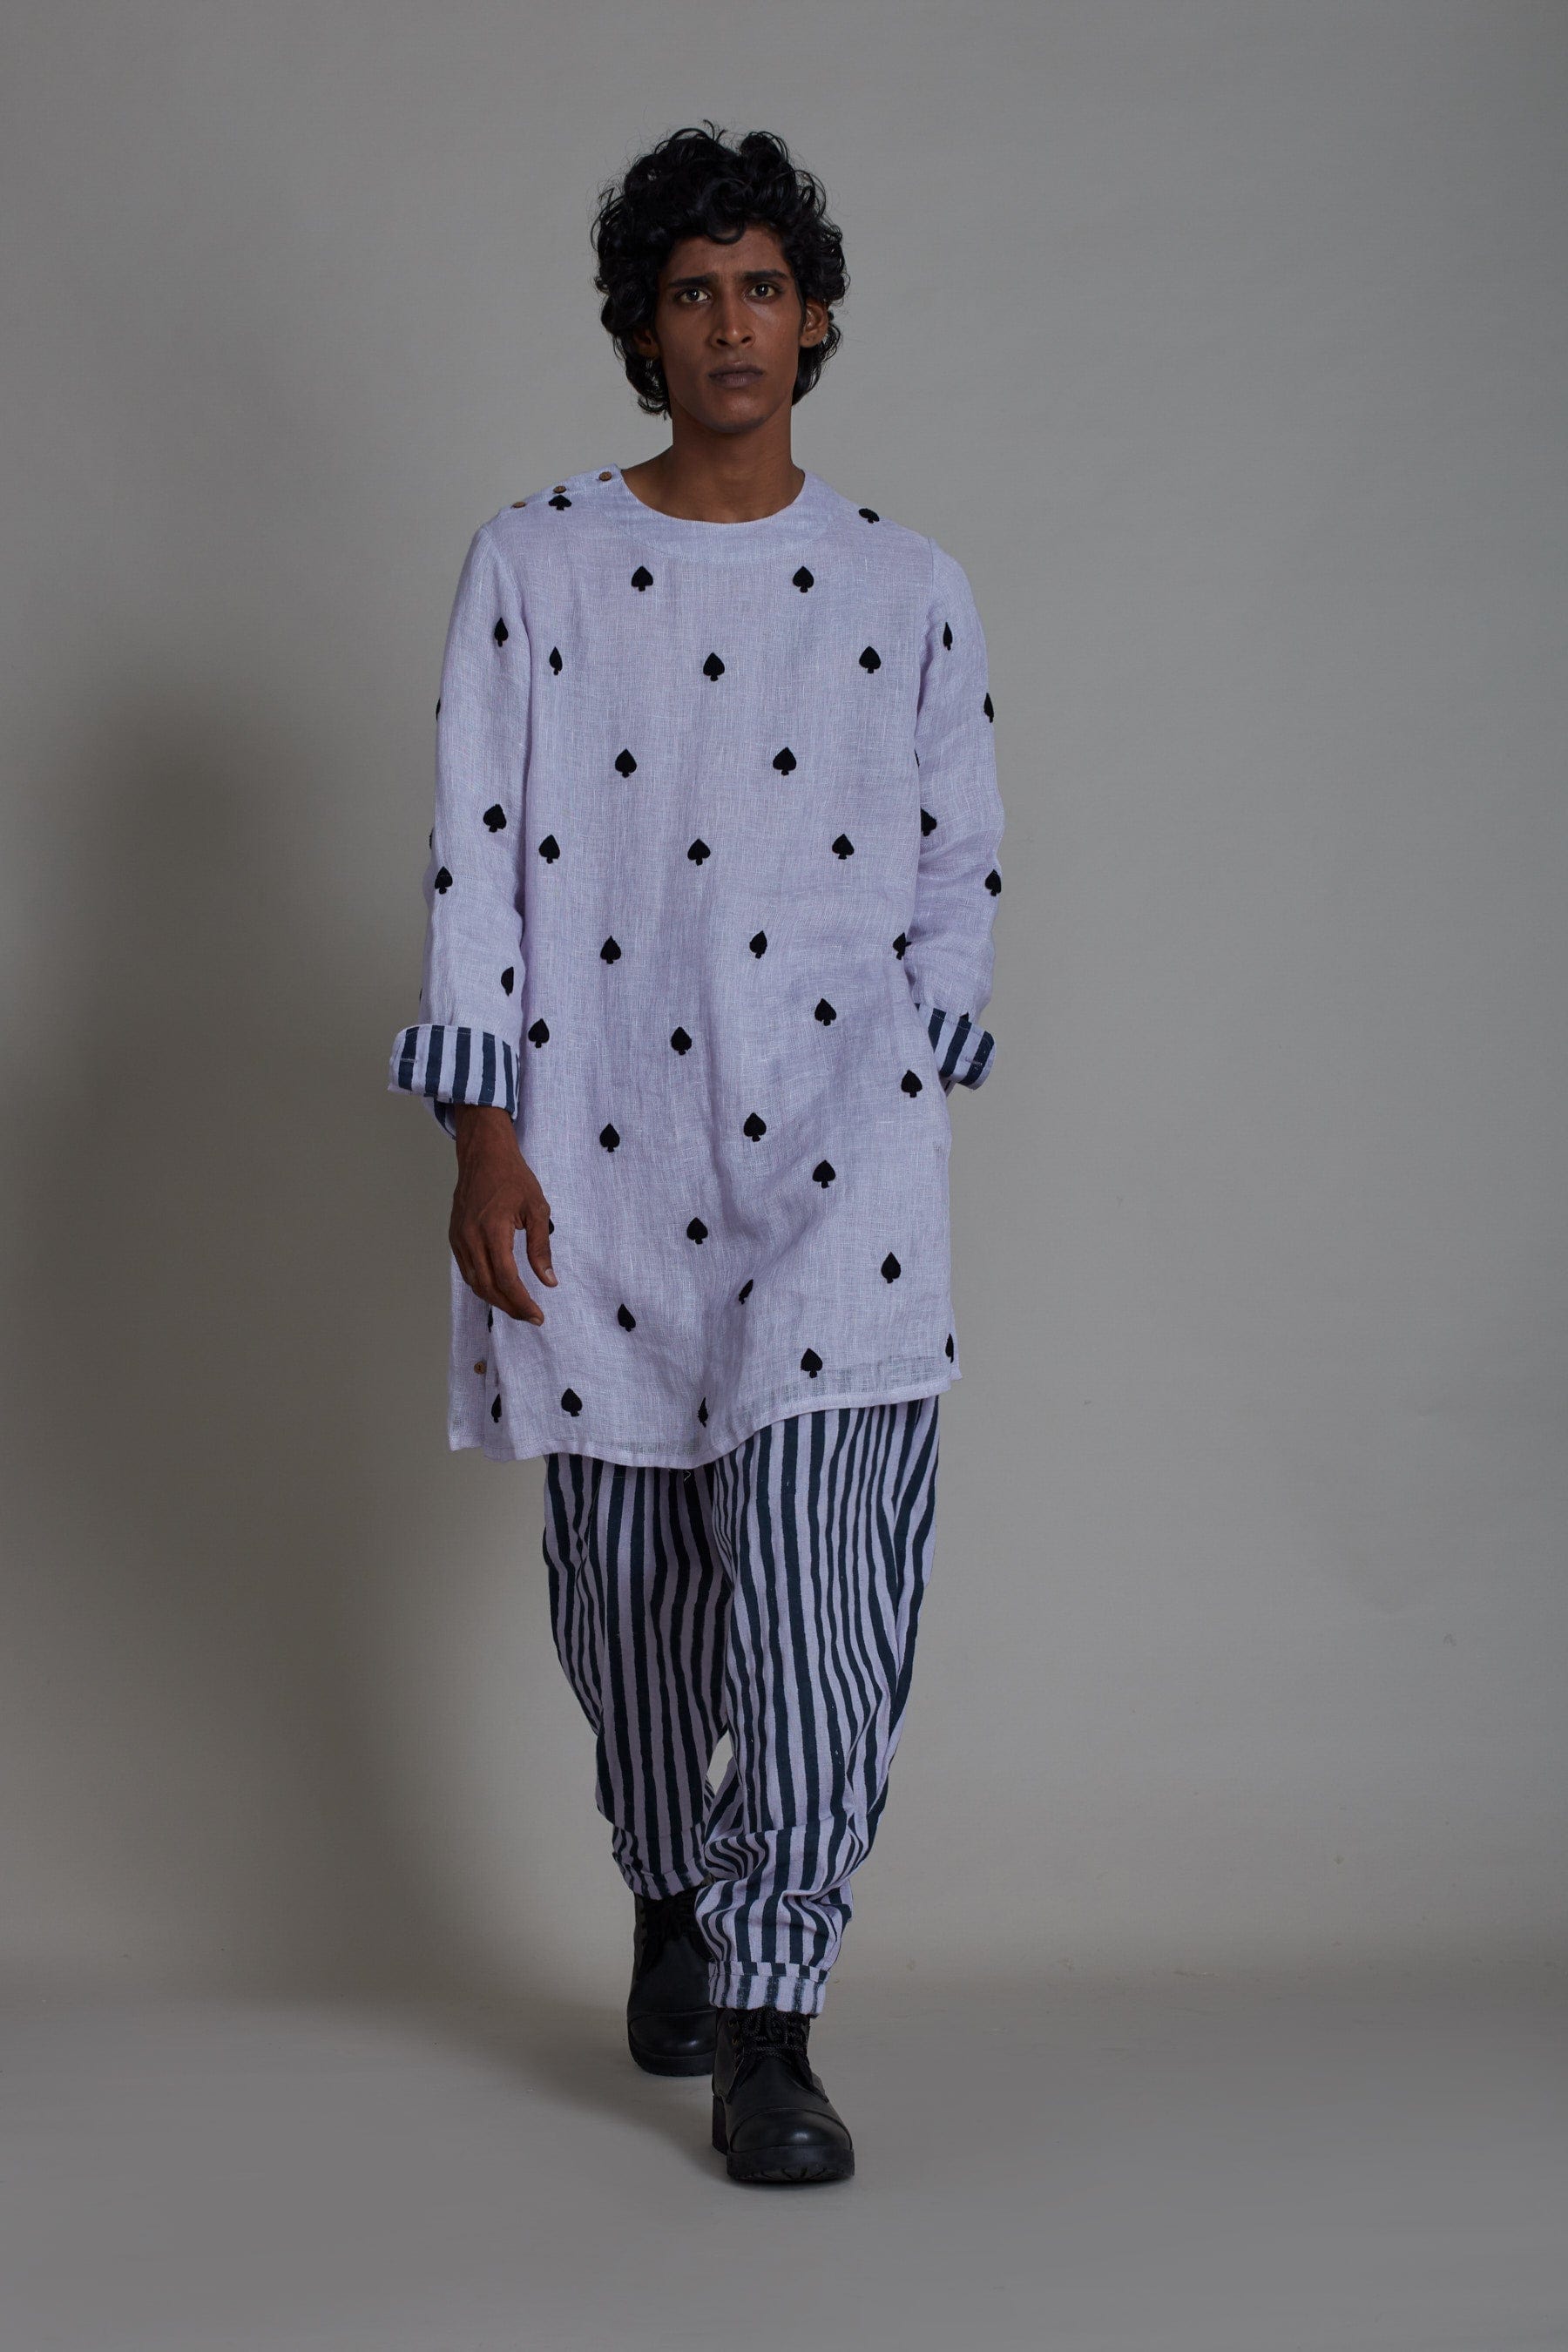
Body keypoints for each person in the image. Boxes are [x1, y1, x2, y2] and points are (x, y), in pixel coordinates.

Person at [387, 122, 1004, 2186]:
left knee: (823, 1617)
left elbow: (960, 857)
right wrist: (484, 1136)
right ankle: (668, 1878)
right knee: (629, 1604)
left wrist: (910, 1058)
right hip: (604, 1158)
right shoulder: (536, 568)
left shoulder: (910, 590)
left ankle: (769, 2024)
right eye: (690, 292)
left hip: (844, 1171)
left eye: (761, 286)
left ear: (812, 320)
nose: (729, 323)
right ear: (640, 330)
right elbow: (479, 861)